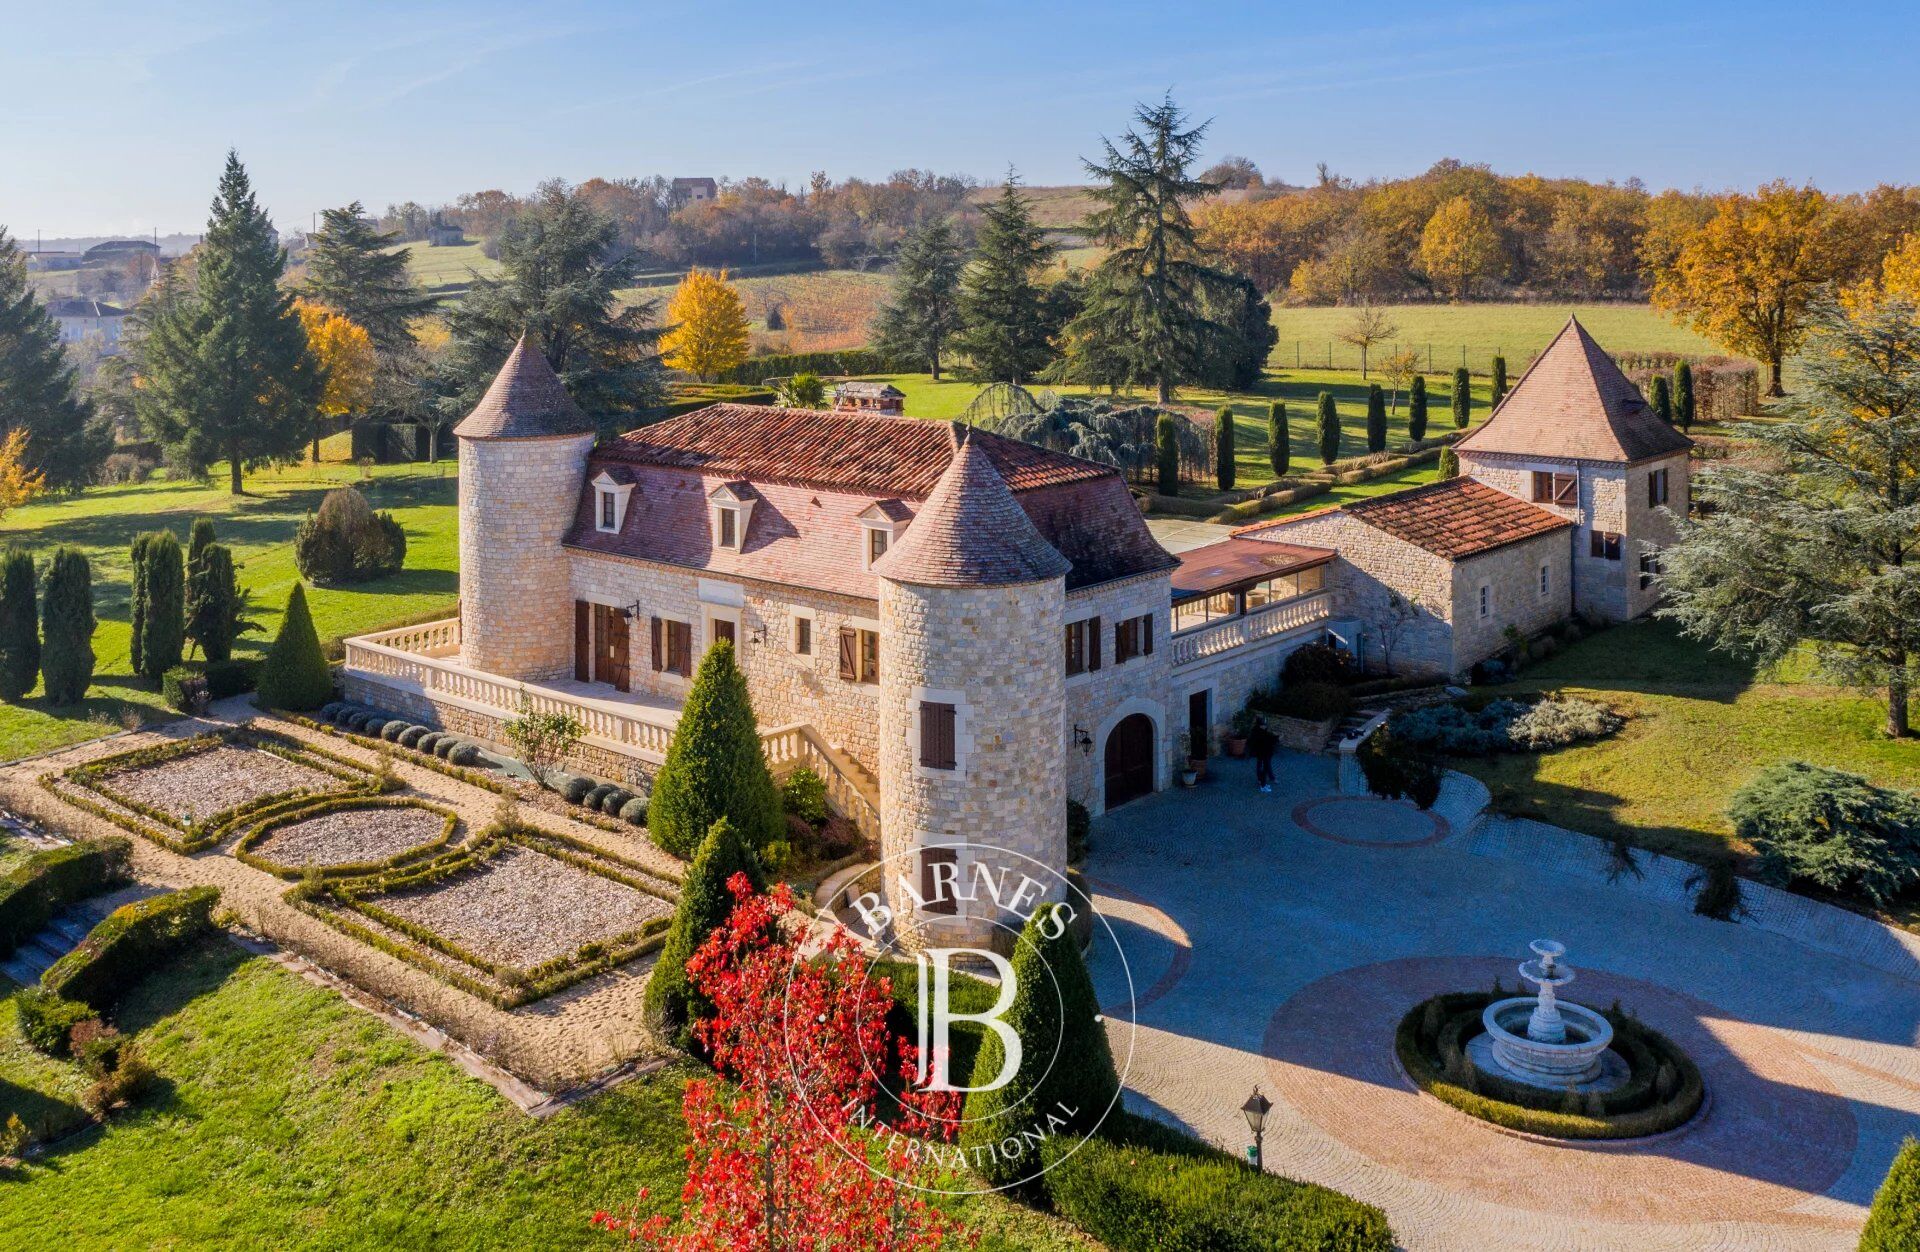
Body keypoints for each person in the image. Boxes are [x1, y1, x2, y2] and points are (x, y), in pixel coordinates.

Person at [1248, 715, 1279, 793]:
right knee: (1263, 769)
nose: (1265, 726)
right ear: (1260, 725)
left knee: (1262, 767)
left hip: (1261, 753)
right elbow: (1268, 741)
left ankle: (1262, 781)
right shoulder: (1260, 733)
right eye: (1263, 725)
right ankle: (1263, 785)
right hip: (1263, 753)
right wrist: (1276, 738)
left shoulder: (1257, 731)